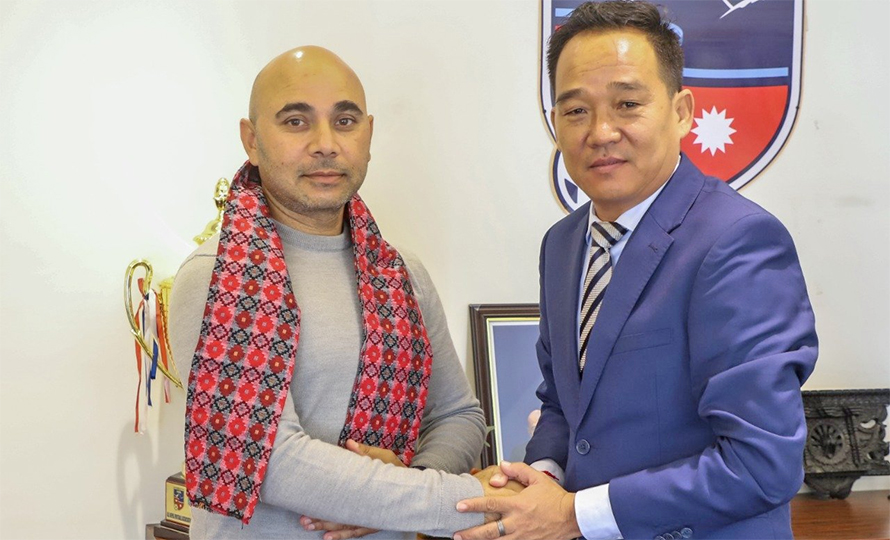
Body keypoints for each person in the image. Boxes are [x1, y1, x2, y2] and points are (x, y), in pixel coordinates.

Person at [455, 2, 818, 539]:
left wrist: (572, 515)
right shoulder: (562, 245)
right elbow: (564, 402)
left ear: (682, 112)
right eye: (576, 111)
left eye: (627, 104)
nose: (601, 131)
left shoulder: (738, 241)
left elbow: (761, 464)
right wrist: (542, 478)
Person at [170, 46, 517, 540]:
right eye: (296, 122)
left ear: (368, 135)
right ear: (251, 140)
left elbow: (459, 416)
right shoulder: (219, 276)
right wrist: (466, 504)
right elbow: (271, 460)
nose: (326, 144)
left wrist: (403, 488)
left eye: (345, 121)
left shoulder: (400, 273)